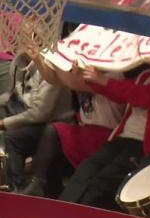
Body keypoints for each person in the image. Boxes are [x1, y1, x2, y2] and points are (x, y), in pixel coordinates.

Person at [58, 63, 150, 209]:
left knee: (102, 182)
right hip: (122, 137)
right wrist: (89, 77)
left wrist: (102, 80)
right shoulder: (146, 75)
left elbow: (146, 95)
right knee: (86, 169)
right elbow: (120, 94)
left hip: (146, 145)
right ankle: (61, 211)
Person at [20, 57, 125, 197]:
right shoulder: (85, 72)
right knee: (53, 157)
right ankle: (44, 192)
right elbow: (54, 78)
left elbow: (72, 82)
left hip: (107, 136)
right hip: (86, 132)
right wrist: (38, 58)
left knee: (54, 130)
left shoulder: (114, 75)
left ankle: (38, 184)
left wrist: (59, 58)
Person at [0, 53, 73, 190]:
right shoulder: (19, 61)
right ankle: (10, 183)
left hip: (52, 122)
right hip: (27, 112)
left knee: (11, 138)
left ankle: (17, 187)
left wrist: (4, 123)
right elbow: (13, 94)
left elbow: (40, 113)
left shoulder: (51, 66)